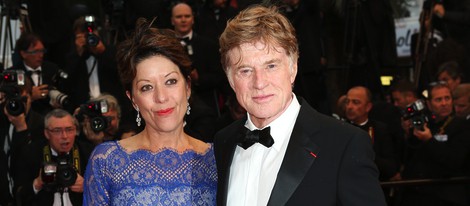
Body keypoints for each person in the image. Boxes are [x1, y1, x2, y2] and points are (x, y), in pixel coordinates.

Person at [214, 5, 385, 206]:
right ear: (230, 79)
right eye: (245, 70)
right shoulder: (222, 142)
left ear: (293, 68)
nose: (259, 83)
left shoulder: (345, 144)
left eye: (271, 66)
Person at [83, 18, 217, 205]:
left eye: (170, 82)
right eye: (146, 87)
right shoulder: (107, 162)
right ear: (133, 99)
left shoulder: (218, 160)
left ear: (187, 87)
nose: (161, 97)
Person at [400, 82, 470, 206]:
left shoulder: (462, 125)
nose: (444, 103)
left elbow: (453, 161)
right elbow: (411, 156)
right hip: (418, 192)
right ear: (429, 104)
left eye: (447, 98)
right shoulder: (426, 123)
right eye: (438, 100)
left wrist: (429, 140)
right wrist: (409, 134)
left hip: (446, 194)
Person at [15, 109, 93, 206]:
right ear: (47, 134)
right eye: (57, 131)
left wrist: (87, 186)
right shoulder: (31, 153)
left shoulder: (89, 153)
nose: (64, 136)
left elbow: (109, 191)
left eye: (69, 130)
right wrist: (37, 183)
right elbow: (19, 195)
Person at [63, 16, 132, 121]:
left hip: (114, 110)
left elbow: (123, 74)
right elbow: (68, 84)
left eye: (89, 34)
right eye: (82, 36)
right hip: (85, 113)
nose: (87, 39)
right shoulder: (72, 58)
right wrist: (79, 54)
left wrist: (102, 52)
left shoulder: (114, 52)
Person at [171, 2, 229, 116]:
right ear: (172, 20)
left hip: (206, 106)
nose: (183, 20)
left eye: (187, 16)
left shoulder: (209, 45)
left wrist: (199, 79)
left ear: (193, 19)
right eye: (179, 17)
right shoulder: (165, 47)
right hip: (174, 106)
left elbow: (220, 76)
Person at [0, 76, 44, 205]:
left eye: (23, 99)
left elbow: (29, 165)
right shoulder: (1, 119)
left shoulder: (40, 124)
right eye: (11, 100)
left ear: (31, 97)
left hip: (26, 196)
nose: (18, 104)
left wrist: (21, 129)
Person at [12, 32, 70, 115]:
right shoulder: (15, 73)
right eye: (36, 51)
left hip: (52, 116)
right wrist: (30, 97)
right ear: (23, 54)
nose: (41, 55)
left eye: (42, 51)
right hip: (27, 118)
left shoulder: (52, 68)